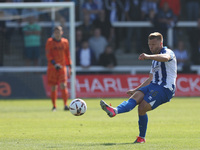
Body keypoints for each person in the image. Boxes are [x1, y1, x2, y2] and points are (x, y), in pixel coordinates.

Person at [100, 32, 177, 143]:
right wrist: (135, 89)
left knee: (142, 107)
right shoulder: (155, 60)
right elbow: (150, 78)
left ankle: (141, 137)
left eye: (154, 45)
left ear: (161, 43)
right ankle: (114, 110)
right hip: (153, 85)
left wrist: (148, 56)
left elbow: (165, 58)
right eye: (149, 44)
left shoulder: (167, 52)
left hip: (165, 89)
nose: (151, 47)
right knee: (135, 97)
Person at [45, 26, 72, 112]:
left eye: (59, 32)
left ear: (62, 32)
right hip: (52, 67)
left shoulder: (65, 42)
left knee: (63, 85)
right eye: (56, 32)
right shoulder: (49, 42)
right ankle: (54, 106)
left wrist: (70, 66)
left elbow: (67, 55)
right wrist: (54, 64)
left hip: (62, 67)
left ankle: (65, 105)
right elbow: (48, 55)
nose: (57, 33)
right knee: (54, 87)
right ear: (54, 33)